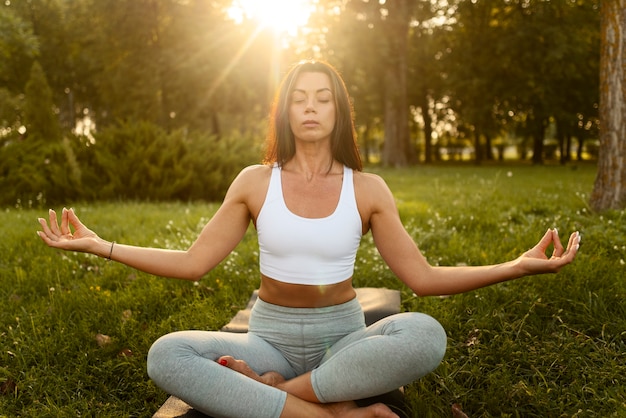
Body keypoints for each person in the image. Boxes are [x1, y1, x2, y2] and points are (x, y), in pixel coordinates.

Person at [37, 60, 581, 418]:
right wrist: (100, 245)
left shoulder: (368, 189)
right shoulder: (254, 181)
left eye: (324, 98)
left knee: (425, 334)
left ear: (339, 110)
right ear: (285, 111)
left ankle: (275, 395)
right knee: (167, 355)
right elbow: (193, 262)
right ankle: (337, 412)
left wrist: (516, 264)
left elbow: (422, 279)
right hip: (265, 338)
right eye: (300, 98)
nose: (312, 107)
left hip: (341, 340)